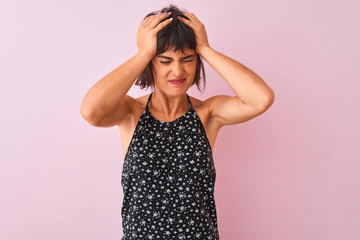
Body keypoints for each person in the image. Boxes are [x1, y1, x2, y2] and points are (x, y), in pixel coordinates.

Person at [80, 4, 274, 240]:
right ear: (150, 63)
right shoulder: (131, 112)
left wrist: (204, 47)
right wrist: (142, 53)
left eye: (187, 59)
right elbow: (91, 111)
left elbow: (261, 99)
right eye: (165, 61)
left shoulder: (207, 113)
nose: (178, 71)